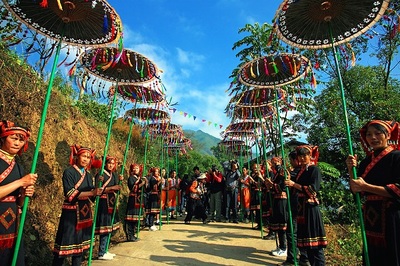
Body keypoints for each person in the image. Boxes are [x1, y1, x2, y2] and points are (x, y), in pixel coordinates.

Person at [346, 120, 400, 266]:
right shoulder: (365, 162)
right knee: (373, 254)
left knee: (393, 254)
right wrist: (351, 170)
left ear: (387, 135)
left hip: (391, 216)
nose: (373, 138)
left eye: (377, 133)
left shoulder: (397, 157)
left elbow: (398, 190)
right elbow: (357, 190)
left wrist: (366, 186)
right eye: (369, 135)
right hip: (372, 217)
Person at [52, 144, 102, 266]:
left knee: (81, 246)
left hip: (85, 213)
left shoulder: (88, 175)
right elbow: (70, 194)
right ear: (77, 156)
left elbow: (92, 197)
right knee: (65, 243)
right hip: (71, 212)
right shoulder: (68, 172)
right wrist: (92, 192)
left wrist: (97, 188)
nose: (85, 159)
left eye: (88, 157)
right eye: (83, 156)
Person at [0, 120, 36, 266]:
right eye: (13, 138)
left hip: (12, 223)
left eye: (21, 140)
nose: (17, 143)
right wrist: (21, 182)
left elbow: (19, 202)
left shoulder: (19, 167)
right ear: (3, 138)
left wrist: (24, 193)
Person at [285, 145, 327, 266]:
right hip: (301, 209)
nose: (302, 158)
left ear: (310, 156)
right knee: (306, 245)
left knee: (314, 245)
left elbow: (313, 190)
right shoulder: (300, 172)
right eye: (300, 156)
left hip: (310, 209)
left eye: (305, 156)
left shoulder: (314, 170)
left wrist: (294, 185)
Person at [279, 151, 310, 266]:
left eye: (292, 160)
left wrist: (289, 180)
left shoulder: (300, 172)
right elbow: (283, 186)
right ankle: (297, 257)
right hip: (295, 204)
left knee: (294, 232)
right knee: (294, 232)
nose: (291, 162)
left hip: (298, 205)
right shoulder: (296, 172)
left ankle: (295, 258)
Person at [94, 156, 122, 260]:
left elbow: (116, 189)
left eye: (113, 163)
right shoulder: (100, 174)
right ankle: (101, 252)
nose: (111, 165)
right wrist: (112, 188)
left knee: (109, 227)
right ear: (105, 163)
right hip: (103, 202)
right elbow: (97, 189)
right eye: (109, 163)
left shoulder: (113, 175)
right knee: (104, 227)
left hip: (111, 201)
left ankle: (105, 250)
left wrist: (119, 183)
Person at [265, 157, 288, 257]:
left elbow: (281, 186)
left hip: (282, 200)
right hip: (276, 199)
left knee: (282, 224)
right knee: (278, 224)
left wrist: (271, 184)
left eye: (276, 162)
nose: (275, 164)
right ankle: (281, 246)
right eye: (273, 162)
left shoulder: (282, 171)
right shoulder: (276, 173)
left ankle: (284, 247)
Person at [125, 163, 147, 242]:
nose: (135, 170)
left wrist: (145, 182)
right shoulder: (131, 178)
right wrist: (141, 184)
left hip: (138, 200)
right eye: (134, 168)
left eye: (137, 168)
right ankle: (130, 235)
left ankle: (133, 234)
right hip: (133, 199)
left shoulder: (140, 178)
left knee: (136, 219)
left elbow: (145, 189)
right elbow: (133, 188)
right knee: (131, 218)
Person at [145, 167, 161, 231]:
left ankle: (152, 223)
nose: (157, 173)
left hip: (156, 195)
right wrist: (159, 182)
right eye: (155, 171)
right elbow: (154, 187)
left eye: (157, 171)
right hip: (152, 195)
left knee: (155, 211)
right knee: (152, 211)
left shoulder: (156, 178)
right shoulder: (152, 179)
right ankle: (150, 224)